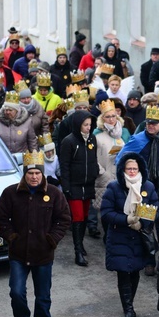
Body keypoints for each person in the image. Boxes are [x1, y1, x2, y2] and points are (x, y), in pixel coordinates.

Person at [0, 151, 71, 317]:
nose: (34, 177)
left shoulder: (54, 193)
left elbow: (63, 219)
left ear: (43, 174)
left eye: (38, 173)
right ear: (24, 174)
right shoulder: (11, 193)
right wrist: (12, 237)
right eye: (31, 173)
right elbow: (0, 219)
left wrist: (52, 239)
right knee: (17, 292)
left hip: (43, 253)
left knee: (43, 293)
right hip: (19, 253)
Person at [101, 153, 159, 317]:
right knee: (123, 273)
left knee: (134, 272)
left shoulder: (148, 187)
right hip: (120, 236)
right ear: (122, 170)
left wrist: (143, 222)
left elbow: (155, 208)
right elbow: (106, 213)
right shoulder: (114, 188)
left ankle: (129, 305)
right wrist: (126, 220)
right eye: (129, 169)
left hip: (140, 237)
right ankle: (128, 310)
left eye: (135, 168)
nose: (132, 172)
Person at [60, 109, 100, 266]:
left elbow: (93, 159)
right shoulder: (68, 141)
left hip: (88, 185)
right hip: (74, 187)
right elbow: (64, 166)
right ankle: (78, 251)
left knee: (84, 216)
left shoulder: (92, 139)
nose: (88, 128)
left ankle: (81, 244)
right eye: (85, 125)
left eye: (90, 125)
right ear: (78, 125)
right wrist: (66, 186)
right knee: (77, 217)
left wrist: (94, 173)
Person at [93, 100, 131, 237]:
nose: (111, 119)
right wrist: (102, 173)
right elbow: (93, 157)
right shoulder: (97, 135)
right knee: (106, 209)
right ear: (103, 118)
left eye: (113, 116)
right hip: (105, 175)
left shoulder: (123, 133)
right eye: (108, 117)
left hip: (121, 175)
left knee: (120, 207)